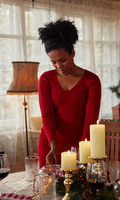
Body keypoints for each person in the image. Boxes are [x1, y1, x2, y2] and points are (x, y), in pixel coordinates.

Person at [37, 19, 101, 168]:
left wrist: (82, 151)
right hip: (50, 145)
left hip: (79, 146)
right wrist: (53, 144)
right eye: (53, 62)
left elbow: (90, 119)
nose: (59, 66)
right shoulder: (46, 79)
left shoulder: (91, 81)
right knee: (46, 189)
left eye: (63, 60)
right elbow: (47, 115)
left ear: (72, 52)